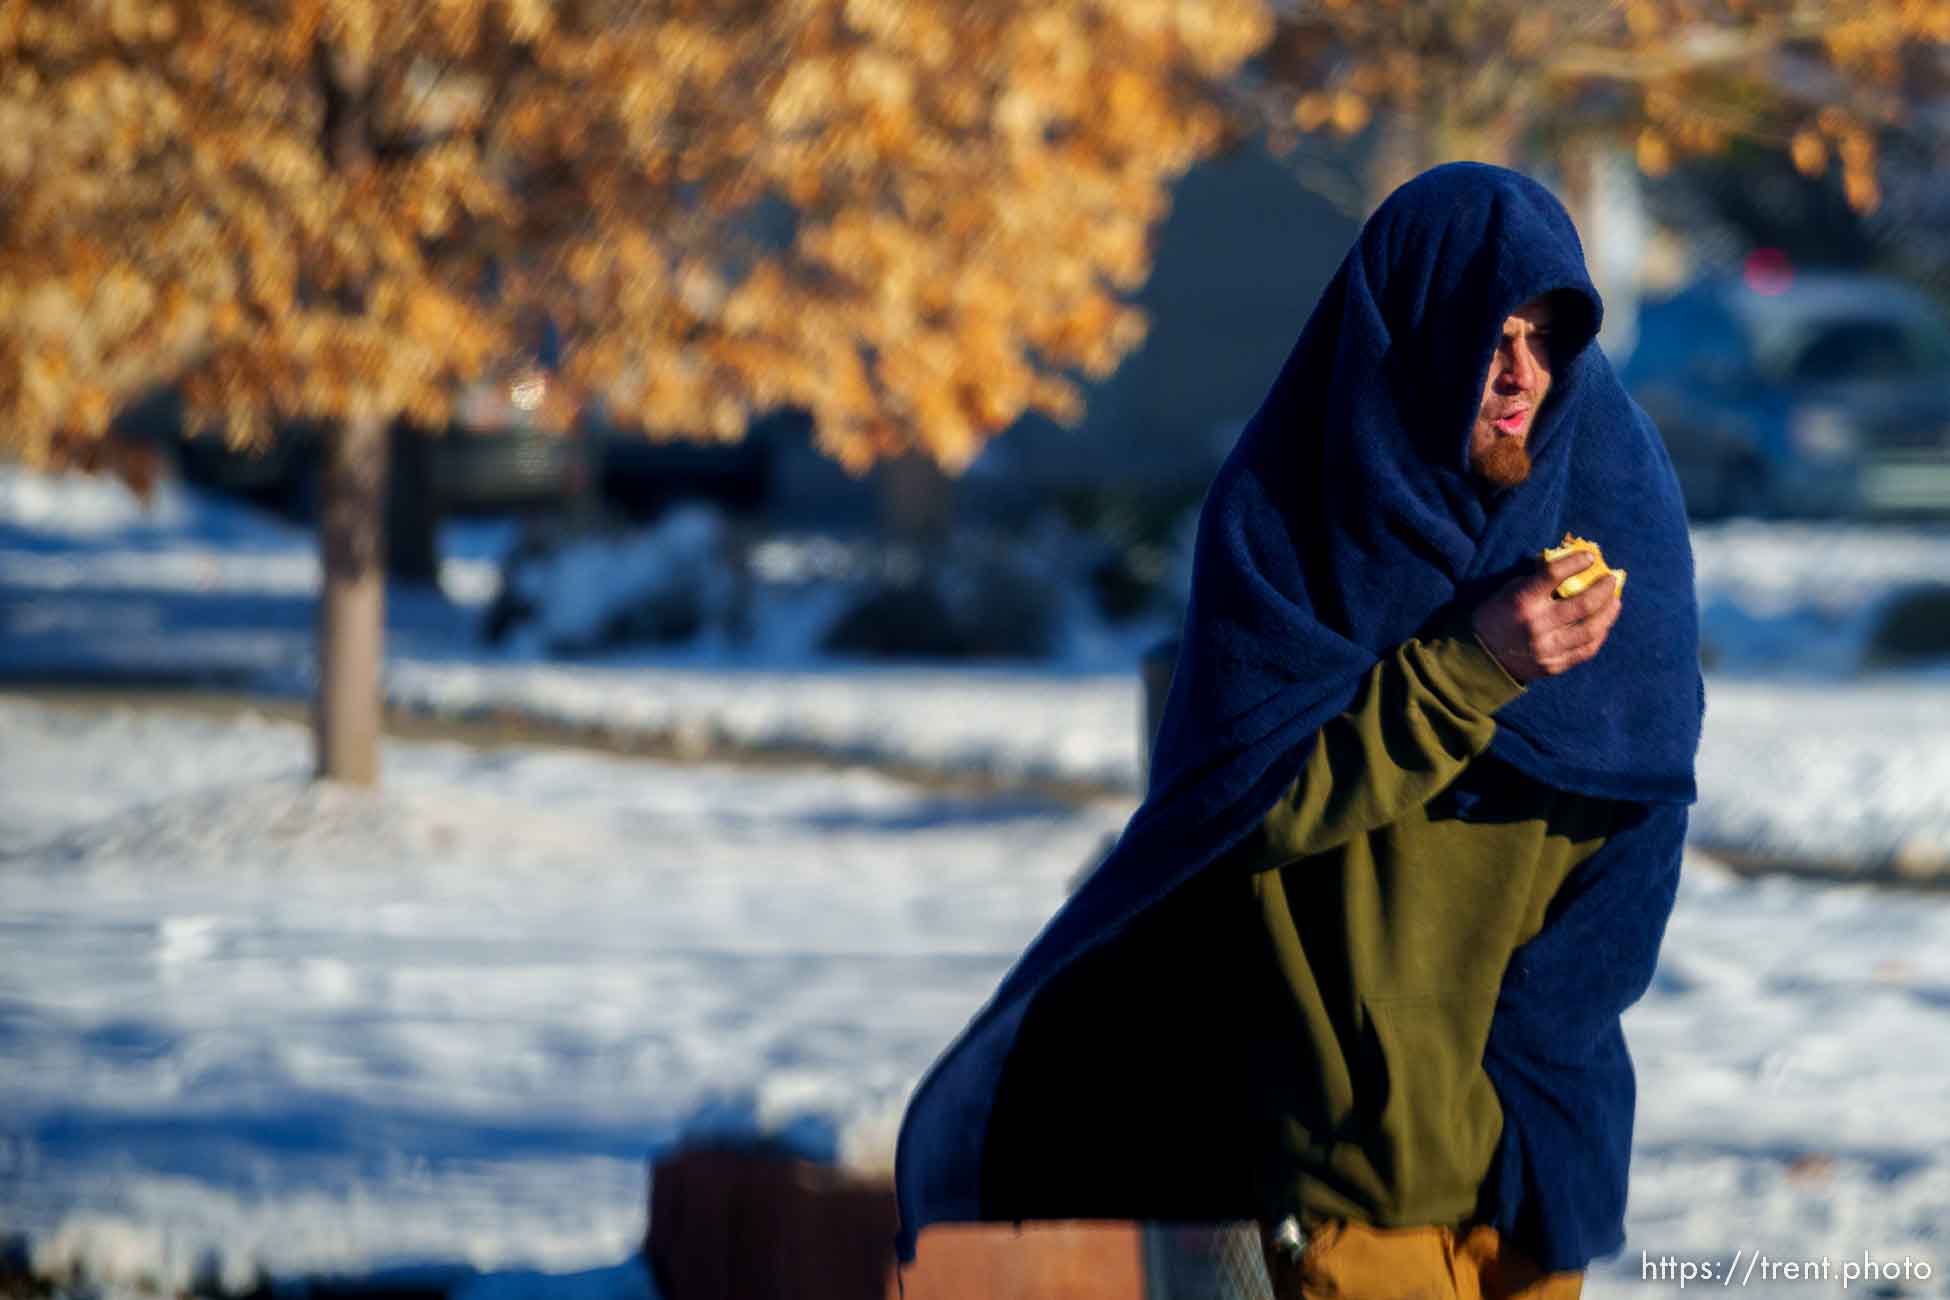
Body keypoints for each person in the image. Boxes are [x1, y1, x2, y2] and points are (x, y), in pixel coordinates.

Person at [893, 164, 1705, 1300]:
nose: (1522, 370)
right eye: (1490, 330)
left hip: (1534, 1184)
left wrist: (1556, 1091)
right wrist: (1469, 667)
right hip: (1341, 1191)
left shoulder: (1619, 513)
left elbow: (1645, 814)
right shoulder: (1291, 532)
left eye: (1547, 333)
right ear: (1409, 333)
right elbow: (1248, 811)